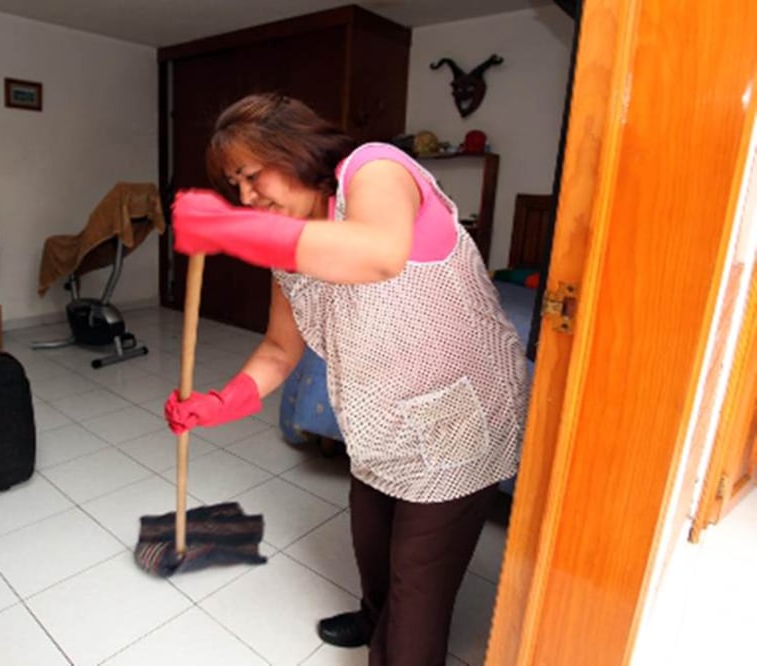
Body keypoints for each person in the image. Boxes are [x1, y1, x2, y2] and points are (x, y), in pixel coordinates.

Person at [164, 92, 528, 666]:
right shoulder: (288, 246)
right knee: (373, 543)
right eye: (235, 187)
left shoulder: (375, 167)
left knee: (419, 583)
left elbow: (378, 252)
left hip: (460, 413)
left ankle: (400, 641)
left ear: (291, 146)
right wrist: (222, 401)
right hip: (377, 415)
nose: (246, 196)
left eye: (251, 175)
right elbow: (281, 350)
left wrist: (234, 230)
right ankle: (373, 614)